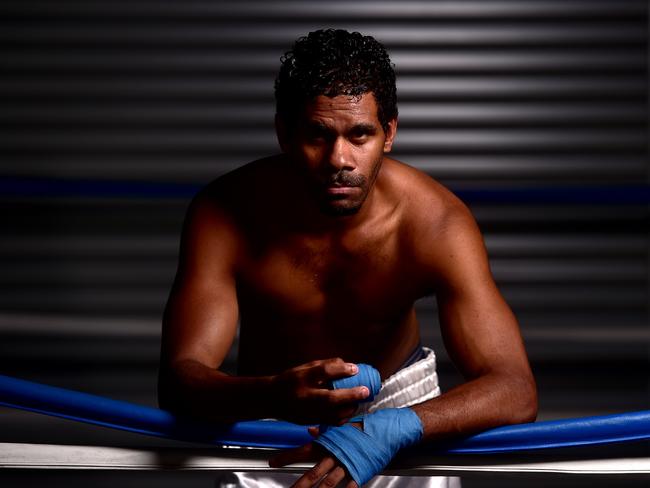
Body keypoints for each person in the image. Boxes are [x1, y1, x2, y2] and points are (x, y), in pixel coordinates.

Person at [158, 29, 537, 487]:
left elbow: (515, 389)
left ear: (389, 133)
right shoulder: (225, 213)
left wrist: (396, 426)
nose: (339, 158)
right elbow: (179, 381)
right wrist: (273, 394)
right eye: (318, 135)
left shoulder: (435, 223)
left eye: (360, 134)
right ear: (284, 133)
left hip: (401, 410)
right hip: (271, 414)